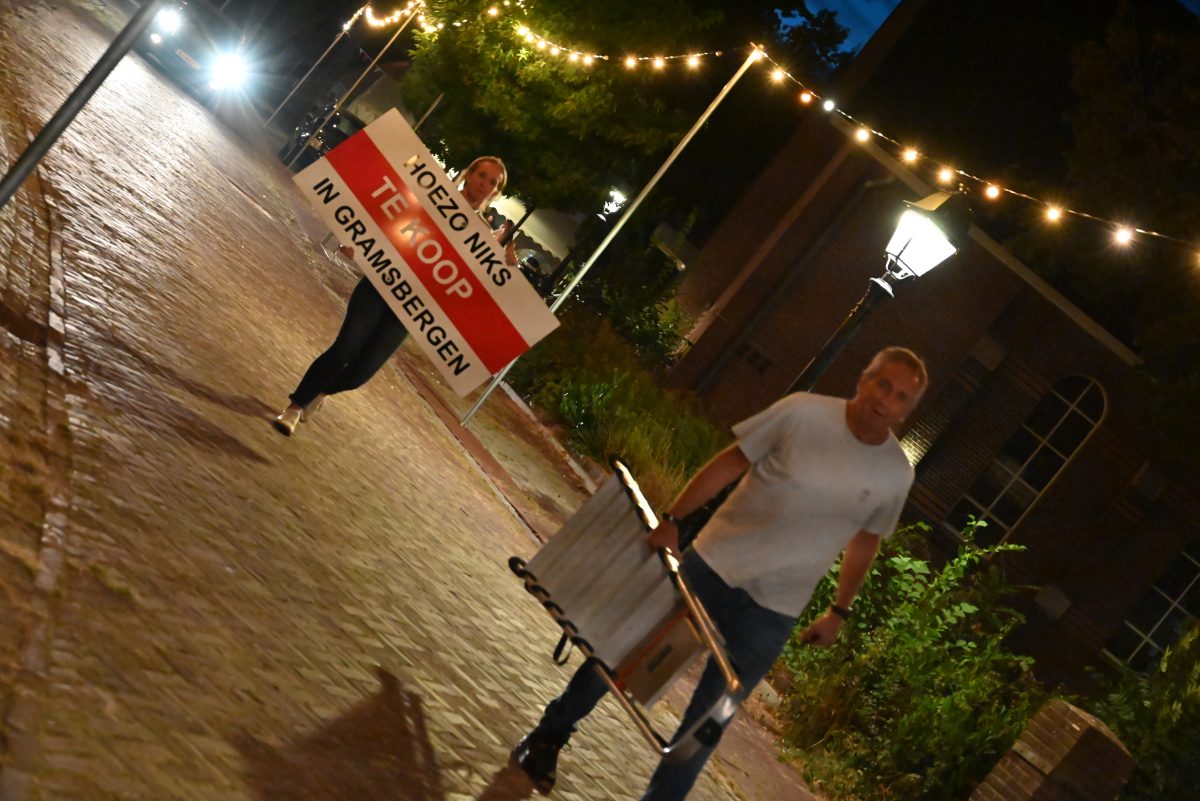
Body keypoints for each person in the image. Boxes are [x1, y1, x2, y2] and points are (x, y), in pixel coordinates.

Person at [510, 346, 929, 799]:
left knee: (708, 722)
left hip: (773, 614)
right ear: (863, 380)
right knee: (624, 654)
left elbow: (865, 542)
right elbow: (732, 461)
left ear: (906, 412)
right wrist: (673, 519)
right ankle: (549, 735)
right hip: (712, 567)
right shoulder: (802, 414)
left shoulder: (894, 476)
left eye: (901, 397)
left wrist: (838, 611)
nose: (886, 399)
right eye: (883, 384)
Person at [272, 156, 518, 435]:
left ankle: (321, 391)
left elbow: (474, 284)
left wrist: (507, 268)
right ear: (469, 174)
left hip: (411, 309)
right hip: (381, 285)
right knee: (345, 349)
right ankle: (295, 407)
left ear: (495, 192)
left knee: (362, 372)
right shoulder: (433, 199)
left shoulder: (484, 237)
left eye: (493, 182)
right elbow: (392, 220)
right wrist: (358, 241)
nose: (484, 184)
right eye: (482, 175)